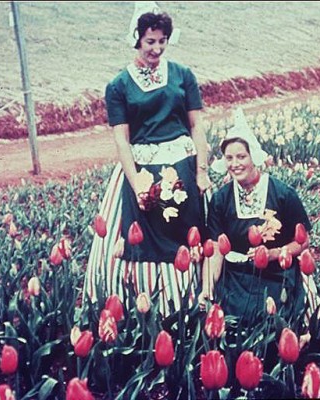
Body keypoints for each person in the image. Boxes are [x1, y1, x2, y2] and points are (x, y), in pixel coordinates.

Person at [83, 2, 211, 315]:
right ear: (137, 39)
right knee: (138, 238)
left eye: (162, 41)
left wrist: (202, 171)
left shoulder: (183, 75)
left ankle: (188, 305)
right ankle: (138, 308)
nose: (156, 48)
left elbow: (196, 125)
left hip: (182, 166)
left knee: (187, 233)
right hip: (139, 170)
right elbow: (121, 140)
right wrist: (137, 181)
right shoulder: (118, 85)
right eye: (149, 41)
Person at [199, 108, 319, 329]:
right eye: (229, 158)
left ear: (253, 156)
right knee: (232, 323)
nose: (235, 164)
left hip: (275, 274)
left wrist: (273, 254)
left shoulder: (282, 194)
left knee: (271, 319)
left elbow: (303, 241)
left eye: (241, 156)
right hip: (235, 277)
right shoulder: (221, 199)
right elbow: (216, 247)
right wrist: (207, 288)